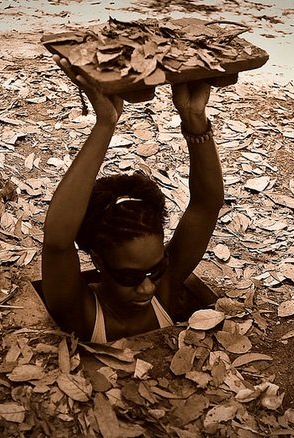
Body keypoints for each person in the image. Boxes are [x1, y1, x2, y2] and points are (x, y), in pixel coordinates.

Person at [42, 54, 224, 342]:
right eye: (129, 277)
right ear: (98, 261)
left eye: (157, 268)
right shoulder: (79, 312)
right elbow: (57, 239)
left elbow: (206, 206)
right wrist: (105, 124)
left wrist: (194, 118)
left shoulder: (165, 285)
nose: (147, 288)